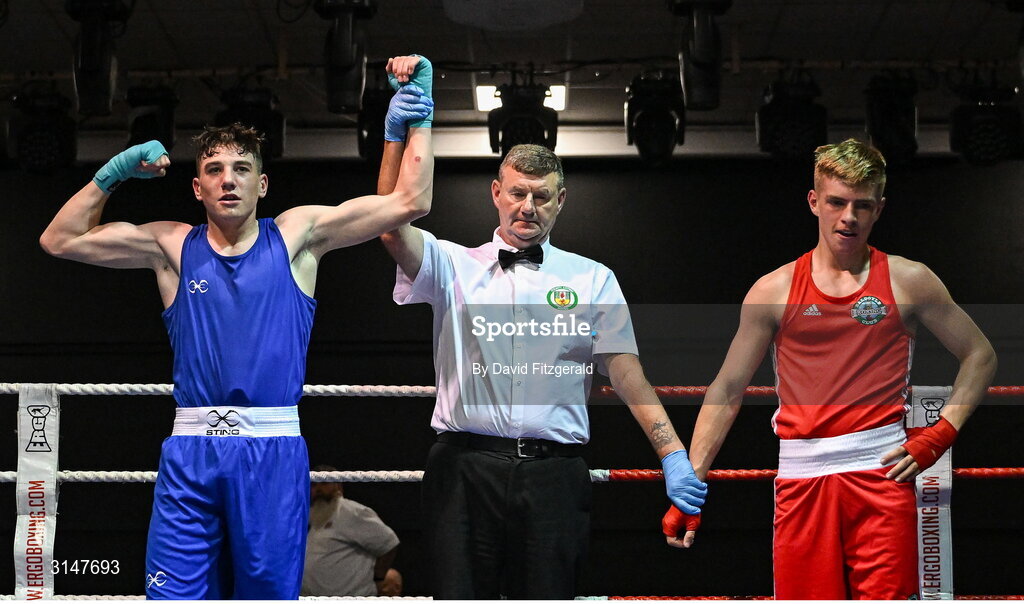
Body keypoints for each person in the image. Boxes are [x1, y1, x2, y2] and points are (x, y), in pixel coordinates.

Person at [38, 56, 434, 599]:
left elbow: (411, 201)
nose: (229, 180)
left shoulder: (297, 235)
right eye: (215, 170)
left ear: (263, 183)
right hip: (190, 452)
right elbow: (58, 240)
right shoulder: (172, 245)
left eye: (242, 168)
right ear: (197, 187)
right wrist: (114, 172)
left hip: (271, 450)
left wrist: (415, 118)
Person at [376, 125, 707, 596]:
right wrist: (400, 136)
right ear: (496, 193)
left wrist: (672, 453)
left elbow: (626, 372)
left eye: (541, 196)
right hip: (464, 471)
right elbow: (388, 224)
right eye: (517, 193)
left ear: (562, 200)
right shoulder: (452, 263)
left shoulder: (592, 278)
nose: (527, 207)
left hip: (554, 476)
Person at [663, 138, 997, 599]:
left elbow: (980, 355)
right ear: (814, 202)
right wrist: (692, 483)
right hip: (801, 482)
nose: (849, 217)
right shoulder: (774, 289)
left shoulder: (908, 279)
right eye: (837, 202)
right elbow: (727, 389)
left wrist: (942, 432)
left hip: (881, 475)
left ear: (879, 209)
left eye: (862, 205)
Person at [302, 465, 403, 597]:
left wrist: (378, 578)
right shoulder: (312, 517)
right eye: (314, 485)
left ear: (338, 486)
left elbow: (389, 542)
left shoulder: (351, 512)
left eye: (325, 483)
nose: (319, 489)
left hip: (350, 597)